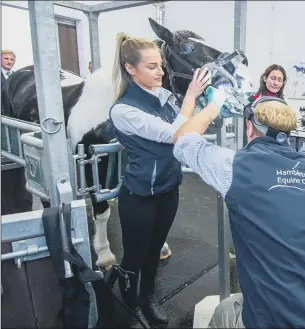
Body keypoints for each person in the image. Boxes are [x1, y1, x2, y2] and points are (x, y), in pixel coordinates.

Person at [172, 93, 305, 328]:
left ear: (249, 128)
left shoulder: (235, 167)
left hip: (282, 319)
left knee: (223, 312)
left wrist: (213, 102)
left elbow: (182, 138)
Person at [108, 32, 211, 327]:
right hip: (139, 196)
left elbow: (187, 124)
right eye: (152, 67)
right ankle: (127, 296)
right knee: (135, 255)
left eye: (160, 66)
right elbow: (177, 133)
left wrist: (199, 106)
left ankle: (147, 296)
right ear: (131, 69)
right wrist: (191, 97)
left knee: (154, 251)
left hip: (168, 189)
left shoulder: (163, 97)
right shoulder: (124, 109)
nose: (160, 72)